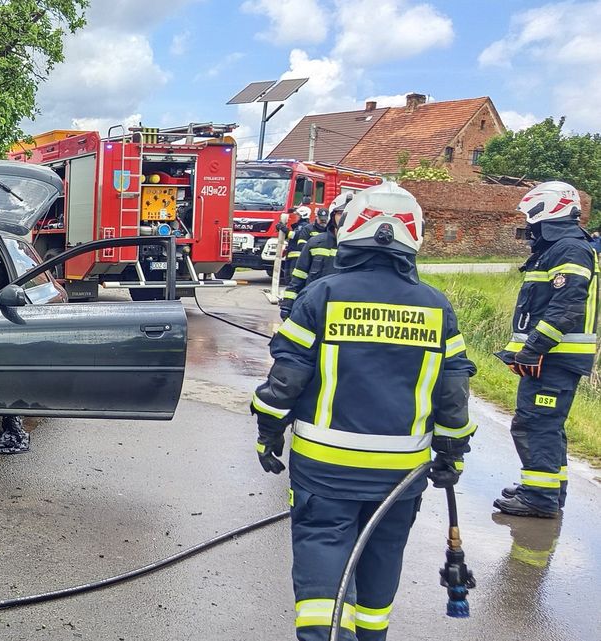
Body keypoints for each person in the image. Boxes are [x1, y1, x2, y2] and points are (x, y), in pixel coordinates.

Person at [250, 182, 477, 641]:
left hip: (326, 471)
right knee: (380, 572)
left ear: (350, 228)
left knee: (322, 584)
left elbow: (286, 381)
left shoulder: (322, 296)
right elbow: (453, 393)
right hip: (401, 474)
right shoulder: (436, 306)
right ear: (412, 238)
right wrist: (452, 452)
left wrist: (268, 431)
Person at [494, 181, 598, 518]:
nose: (528, 224)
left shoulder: (569, 249)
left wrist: (534, 349)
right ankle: (548, 490)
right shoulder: (560, 248)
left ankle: (539, 497)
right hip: (551, 357)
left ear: (546, 211)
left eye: (530, 216)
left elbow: (567, 307)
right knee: (545, 425)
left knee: (535, 424)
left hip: (553, 358)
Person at [280, 194, 351, 320]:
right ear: (332, 216)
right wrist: (288, 305)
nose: (345, 218)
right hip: (312, 309)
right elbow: (298, 279)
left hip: (343, 315)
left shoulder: (361, 249)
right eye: (341, 213)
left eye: (349, 213)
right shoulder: (315, 243)